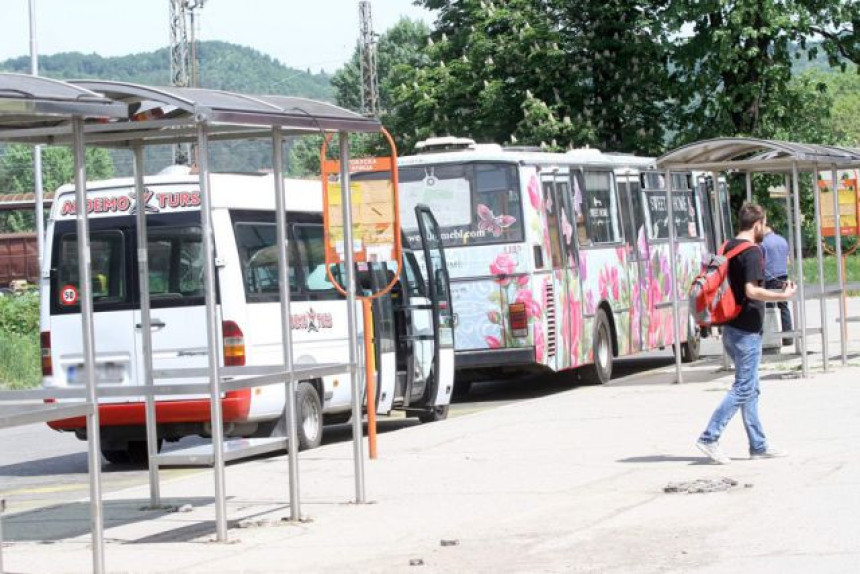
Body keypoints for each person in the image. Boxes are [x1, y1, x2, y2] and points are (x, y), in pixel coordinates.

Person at [696, 203, 797, 464]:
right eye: (764, 224)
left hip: (731, 326)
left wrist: (775, 285)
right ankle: (709, 437)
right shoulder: (752, 251)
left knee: (751, 388)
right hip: (746, 330)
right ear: (757, 224)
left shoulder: (727, 246)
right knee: (743, 388)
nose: (765, 228)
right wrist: (780, 295)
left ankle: (758, 445)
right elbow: (751, 290)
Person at [761, 225, 793, 346]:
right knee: (784, 307)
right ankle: (788, 338)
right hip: (783, 277)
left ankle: (771, 338)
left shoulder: (762, 243)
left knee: (769, 308)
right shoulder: (782, 240)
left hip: (769, 279)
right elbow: (788, 260)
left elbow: (761, 262)